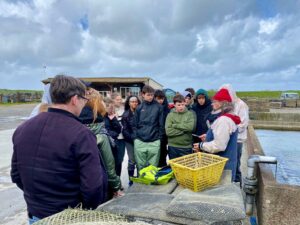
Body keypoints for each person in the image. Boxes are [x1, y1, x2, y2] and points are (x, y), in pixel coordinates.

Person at [11, 75, 108, 224]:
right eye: (84, 99)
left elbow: (16, 175)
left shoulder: (23, 129)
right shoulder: (81, 134)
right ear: (75, 99)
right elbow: (93, 187)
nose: (84, 104)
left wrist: (38, 199)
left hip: (35, 214)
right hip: (70, 217)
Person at [79, 88, 123, 198]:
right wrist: (116, 187)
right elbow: (109, 166)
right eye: (101, 100)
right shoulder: (100, 132)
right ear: (97, 103)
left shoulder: (75, 125)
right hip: (100, 186)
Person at [193, 88, 241, 181]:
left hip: (223, 167)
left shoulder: (224, 120)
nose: (212, 104)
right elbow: (223, 137)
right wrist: (208, 136)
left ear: (222, 103)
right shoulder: (229, 117)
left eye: (215, 101)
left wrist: (201, 145)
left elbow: (219, 145)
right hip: (226, 164)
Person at [219, 84, 249, 183]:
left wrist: (228, 130)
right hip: (227, 139)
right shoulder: (227, 105)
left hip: (237, 140)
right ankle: (228, 183)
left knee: (235, 164)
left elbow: (242, 124)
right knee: (227, 165)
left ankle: (237, 185)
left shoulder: (241, 105)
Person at [132, 85, 164, 172]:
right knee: (140, 168)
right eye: (148, 95)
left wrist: (159, 138)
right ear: (143, 94)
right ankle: (140, 185)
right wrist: (135, 138)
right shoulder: (139, 108)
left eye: (152, 95)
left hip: (154, 141)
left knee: (153, 169)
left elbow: (161, 125)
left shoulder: (159, 107)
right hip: (140, 141)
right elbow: (134, 125)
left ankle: (151, 185)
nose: (150, 97)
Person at [165, 94, 196, 159]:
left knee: (186, 168)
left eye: (182, 104)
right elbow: (168, 132)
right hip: (173, 146)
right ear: (174, 105)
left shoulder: (190, 114)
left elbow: (190, 127)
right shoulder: (170, 115)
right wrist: (184, 130)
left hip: (186, 147)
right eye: (179, 105)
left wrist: (175, 125)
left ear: (185, 103)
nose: (181, 107)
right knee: (173, 168)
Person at [121, 95, 141, 185]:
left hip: (140, 139)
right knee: (132, 160)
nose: (134, 103)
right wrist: (133, 139)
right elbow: (125, 130)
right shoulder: (125, 115)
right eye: (132, 102)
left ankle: (140, 177)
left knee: (140, 160)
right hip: (130, 141)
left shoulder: (141, 112)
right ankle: (131, 179)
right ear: (129, 103)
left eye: (136, 101)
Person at [111, 92, 126, 177]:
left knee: (120, 160)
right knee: (113, 161)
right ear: (113, 100)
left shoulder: (123, 109)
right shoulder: (109, 110)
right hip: (114, 138)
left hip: (122, 138)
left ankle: (118, 180)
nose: (119, 101)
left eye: (120, 99)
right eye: (117, 99)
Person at [154, 89, 170, 167]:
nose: (160, 101)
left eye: (162, 99)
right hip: (154, 135)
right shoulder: (152, 108)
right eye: (158, 99)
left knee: (163, 154)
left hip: (164, 136)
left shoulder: (167, 110)